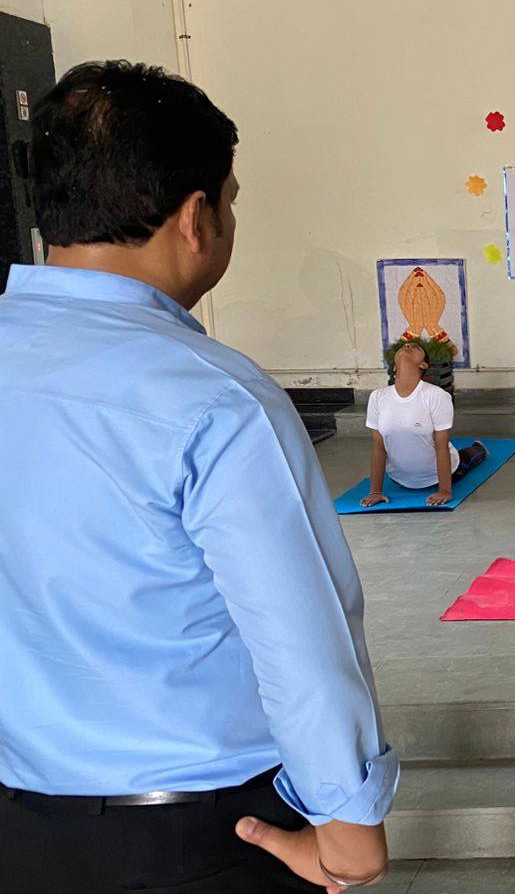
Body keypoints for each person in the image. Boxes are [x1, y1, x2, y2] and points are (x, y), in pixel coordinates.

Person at [0, 61, 394, 890]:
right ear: (194, 219)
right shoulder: (213, 399)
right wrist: (349, 834)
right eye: (230, 201)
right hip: (196, 838)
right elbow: (299, 639)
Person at [360, 341, 486, 507]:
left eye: (415, 347)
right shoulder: (377, 397)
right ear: (395, 366)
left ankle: (479, 448)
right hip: (400, 479)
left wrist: (445, 491)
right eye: (404, 346)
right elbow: (378, 448)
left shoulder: (436, 396)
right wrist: (375, 492)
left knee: (468, 458)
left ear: (423, 365)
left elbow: (441, 446)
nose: (407, 346)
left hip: (441, 474)